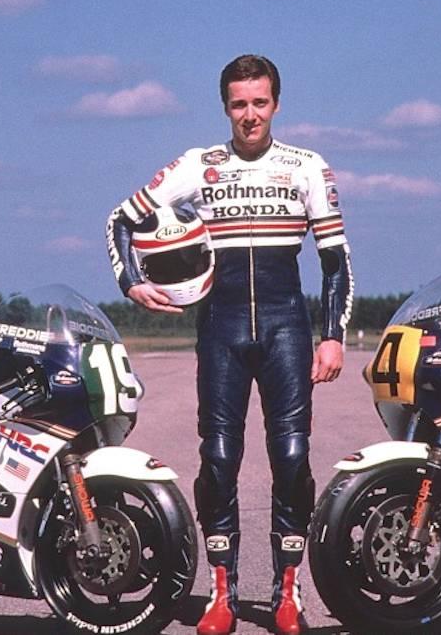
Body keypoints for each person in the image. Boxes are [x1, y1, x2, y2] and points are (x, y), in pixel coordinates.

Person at [105, 54, 353, 635]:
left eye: (259, 103)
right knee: (218, 460)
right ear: (225, 107)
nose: (250, 115)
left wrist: (333, 338)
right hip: (219, 330)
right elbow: (119, 218)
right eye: (239, 104)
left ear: (276, 104)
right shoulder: (198, 165)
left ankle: (288, 594)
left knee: (291, 459)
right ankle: (223, 595)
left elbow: (336, 264)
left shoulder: (306, 166)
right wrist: (131, 283)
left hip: (286, 326)